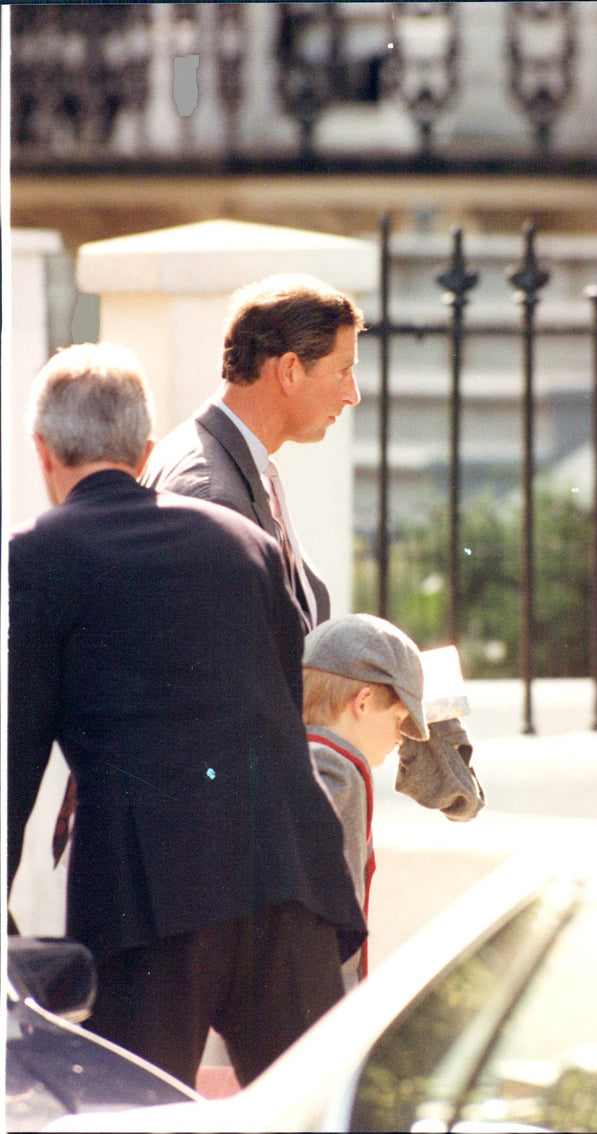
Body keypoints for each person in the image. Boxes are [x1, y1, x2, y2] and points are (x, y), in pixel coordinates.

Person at [7, 342, 366, 1090]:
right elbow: (282, 706)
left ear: (41, 451)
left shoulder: (36, 558)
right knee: (316, 1112)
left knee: (136, 1116)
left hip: (150, 903)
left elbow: (13, 755)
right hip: (289, 879)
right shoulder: (242, 542)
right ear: (144, 451)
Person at [140, 272, 366, 629]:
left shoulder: (229, 463)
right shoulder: (213, 496)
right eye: (343, 371)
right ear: (290, 370)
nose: (353, 394)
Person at [301, 614, 429, 990]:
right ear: (364, 702)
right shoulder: (337, 768)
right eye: (400, 719)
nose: (400, 738)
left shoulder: (286, 755)